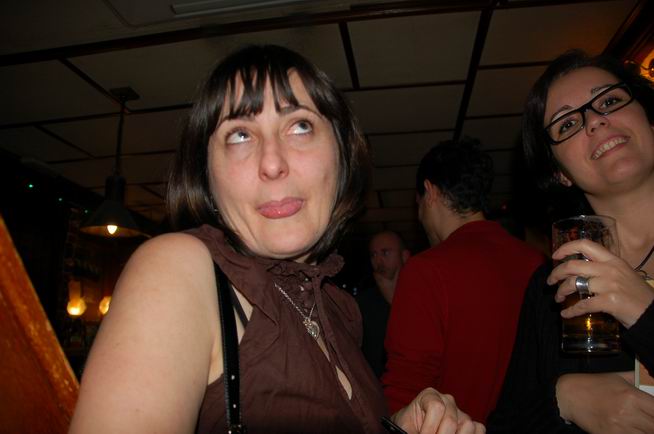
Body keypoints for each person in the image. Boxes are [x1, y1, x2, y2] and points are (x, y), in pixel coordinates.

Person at [68, 45, 484, 434]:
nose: (272, 162)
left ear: (342, 155)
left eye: (300, 126)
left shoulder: (340, 311)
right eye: (240, 134)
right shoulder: (178, 270)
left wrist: (399, 425)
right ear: (206, 176)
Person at [487, 50, 654, 434]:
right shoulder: (553, 287)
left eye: (609, 101)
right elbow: (506, 425)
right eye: (567, 124)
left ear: (649, 118)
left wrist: (644, 313)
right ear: (560, 173)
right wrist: (563, 398)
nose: (595, 121)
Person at [382, 138, 545, 424]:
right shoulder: (537, 263)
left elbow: (406, 392)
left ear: (430, 192)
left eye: (418, 205)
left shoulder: (425, 270)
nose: (420, 218)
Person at [357, 230, 410, 377]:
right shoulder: (362, 303)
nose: (378, 260)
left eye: (385, 253)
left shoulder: (423, 295)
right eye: (373, 255)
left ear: (405, 256)